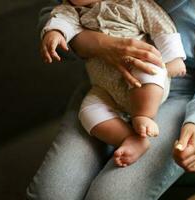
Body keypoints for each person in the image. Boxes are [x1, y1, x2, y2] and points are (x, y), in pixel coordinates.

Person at [27, 0, 195, 199]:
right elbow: (57, 12)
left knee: (110, 196)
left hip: (177, 90)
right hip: (104, 84)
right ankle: (126, 135)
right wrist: (99, 44)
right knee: (51, 193)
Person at [40, 0, 187, 167]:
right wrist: (55, 32)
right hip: (105, 89)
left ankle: (144, 115)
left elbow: (160, 25)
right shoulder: (73, 11)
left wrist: (173, 57)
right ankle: (129, 138)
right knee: (88, 112)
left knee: (151, 69)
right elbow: (60, 20)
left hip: (140, 74)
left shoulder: (132, 4)